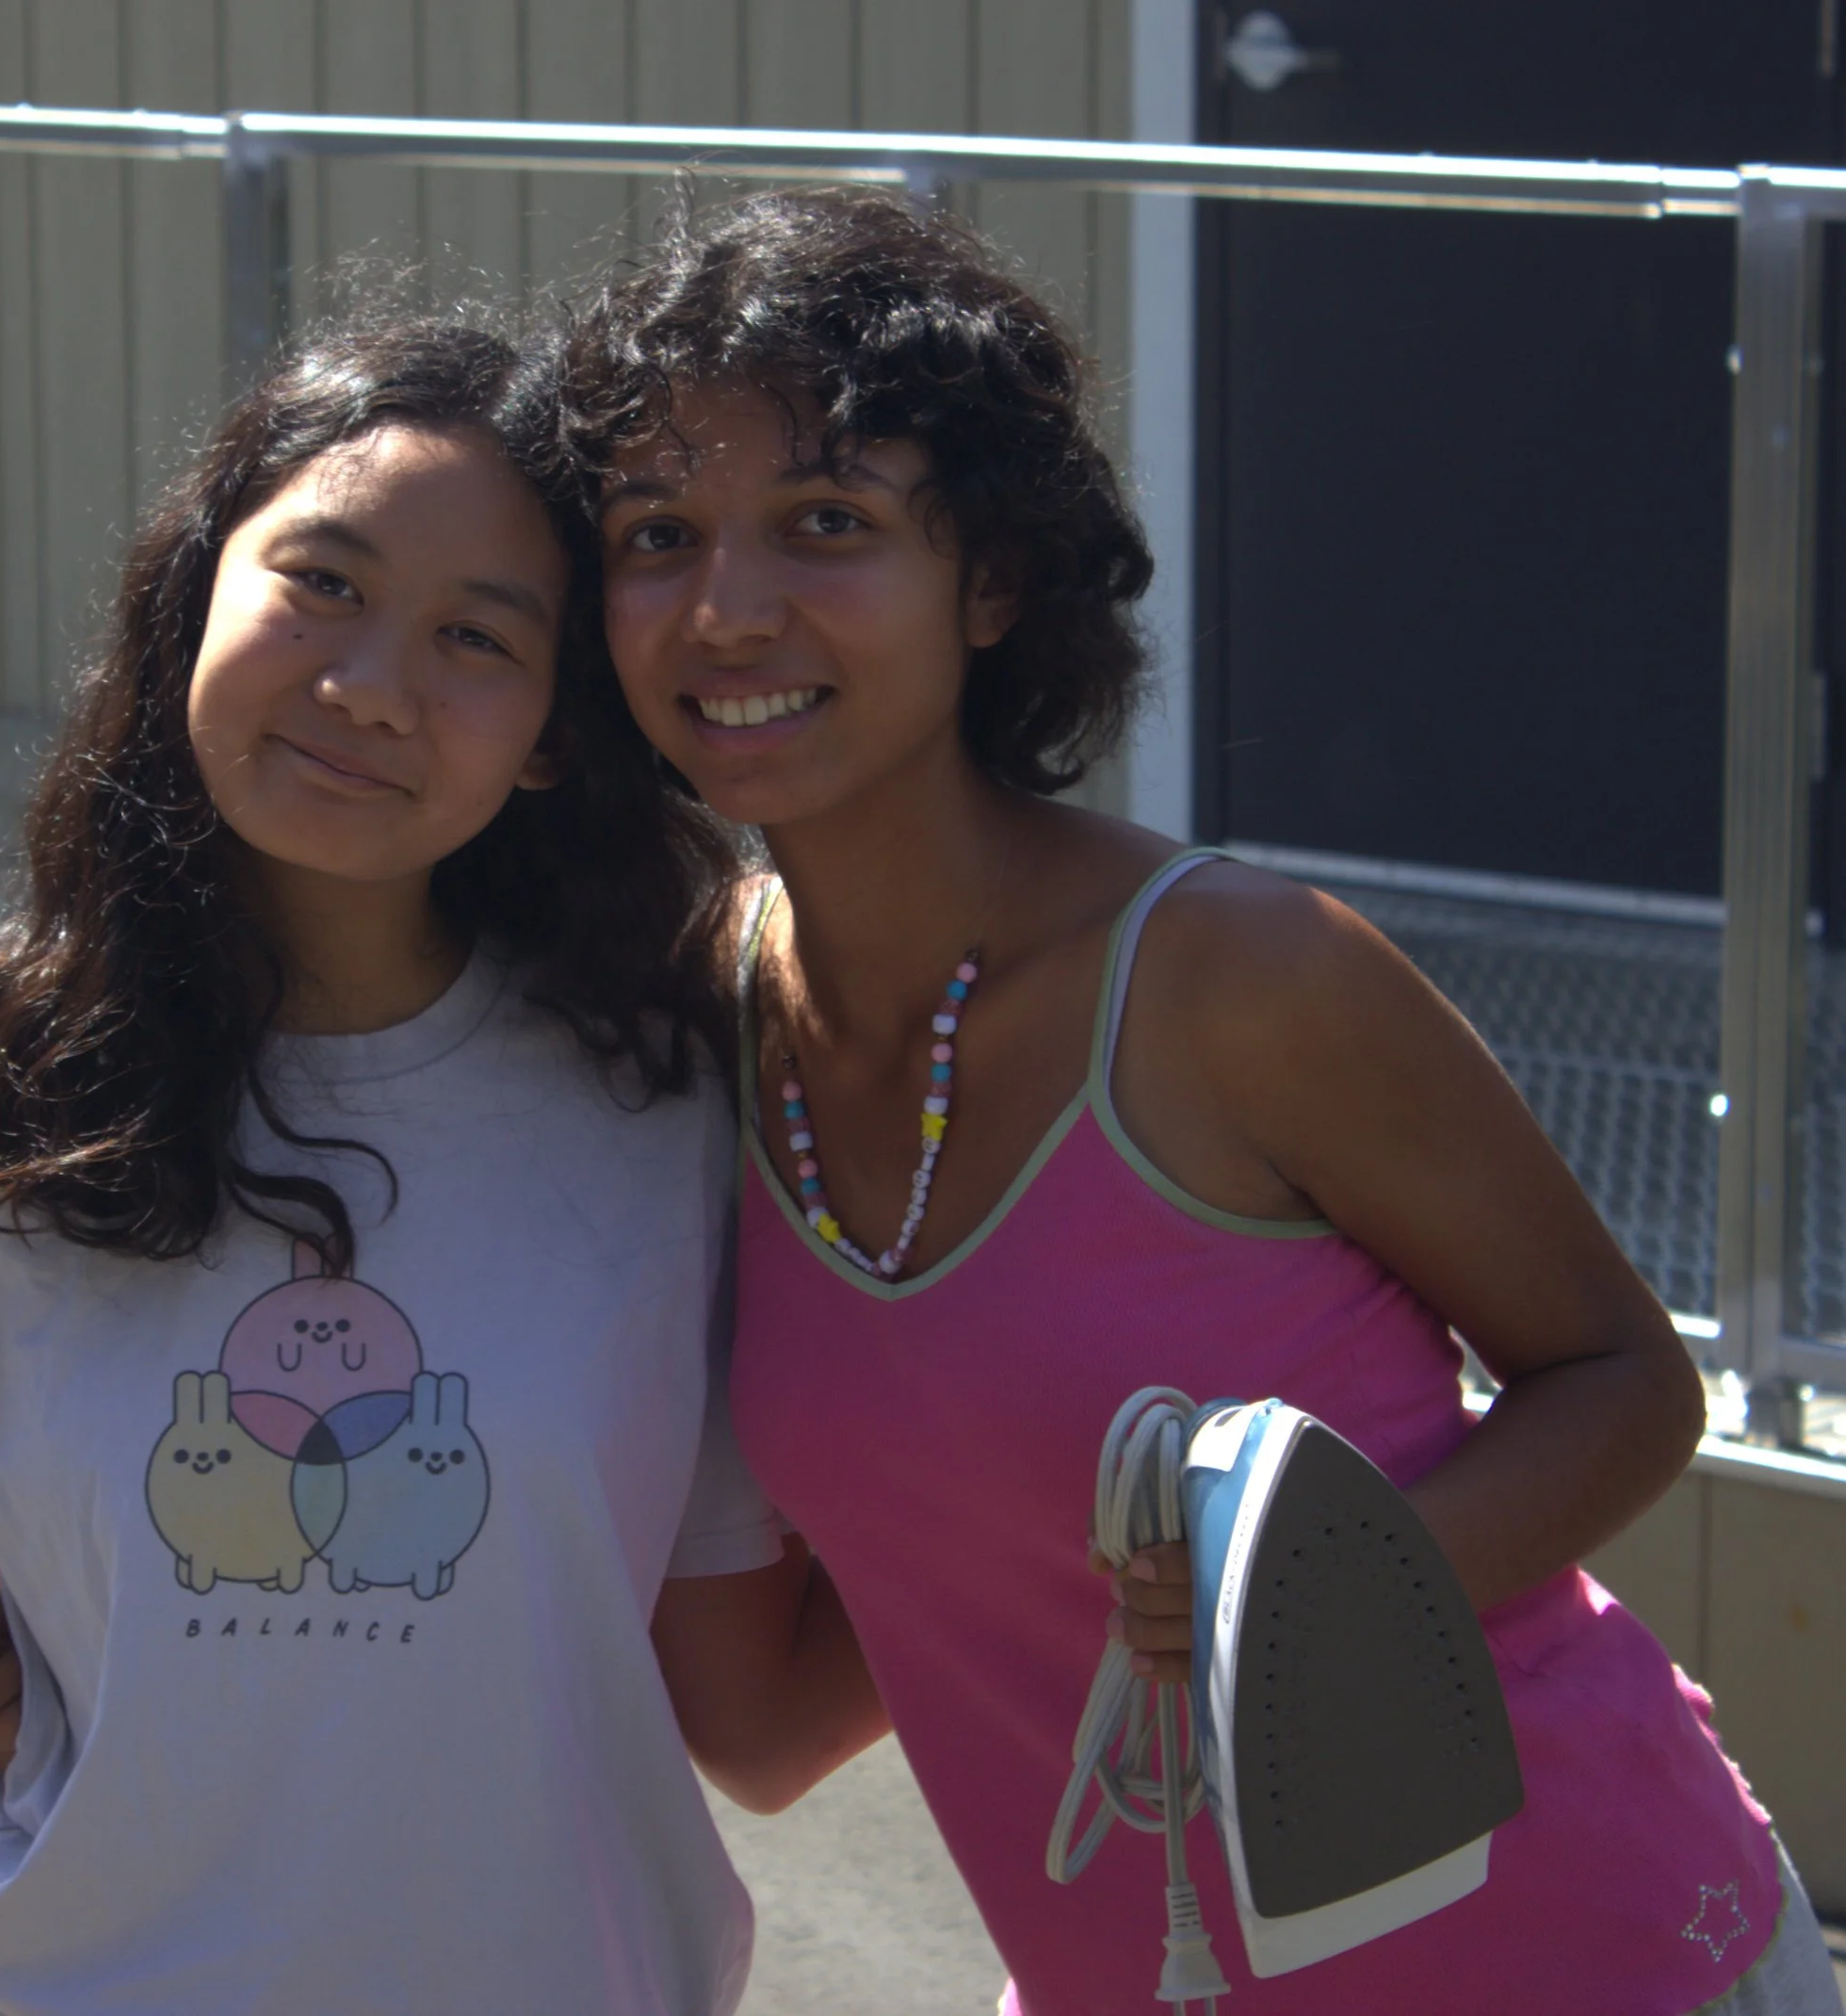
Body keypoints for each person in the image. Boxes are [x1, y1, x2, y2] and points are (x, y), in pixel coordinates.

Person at [550, 186, 1841, 2015]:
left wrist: (1318, 1593)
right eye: (654, 532)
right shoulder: (694, 1036)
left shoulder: (1234, 975)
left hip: (1596, 1954)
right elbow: (763, 1720)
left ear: (989, 576)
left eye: (822, 521)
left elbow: (1627, 1380)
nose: (724, 605)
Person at [0, 316, 882, 2016]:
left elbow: (761, 1725)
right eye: (322, 582)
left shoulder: (673, 1113)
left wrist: (1052, 1500)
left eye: (477, 638)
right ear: (195, 588)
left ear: (557, 733)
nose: (367, 689)